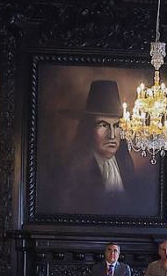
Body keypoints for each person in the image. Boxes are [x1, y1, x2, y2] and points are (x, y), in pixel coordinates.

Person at [51, 80, 149, 216]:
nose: (112, 135)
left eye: (117, 126)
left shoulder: (126, 165)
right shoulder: (73, 171)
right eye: (103, 125)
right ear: (88, 128)